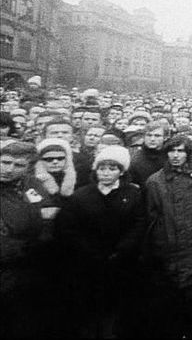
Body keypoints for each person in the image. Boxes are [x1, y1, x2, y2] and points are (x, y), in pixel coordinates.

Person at [56, 145, 145, 337]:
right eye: (102, 168)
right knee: (88, 307)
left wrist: (122, 249)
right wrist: (89, 250)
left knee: (116, 306)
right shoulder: (81, 195)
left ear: (121, 172)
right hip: (87, 262)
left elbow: (138, 224)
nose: (106, 173)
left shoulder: (132, 194)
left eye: (112, 169)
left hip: (121, 261)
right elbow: (69, 227)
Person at [145, 135, 192, 338]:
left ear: (188, 153)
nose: (176, 156)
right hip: (168, 247)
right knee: (171, 297)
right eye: (172, 151)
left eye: (181, 151)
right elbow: (151, 218)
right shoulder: (155, 182)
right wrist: (160, 243)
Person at [0, 141, 58, 337]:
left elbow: (49, 213)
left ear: (29, 167)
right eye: (5, 162)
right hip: (7, 267)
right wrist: (29, 247)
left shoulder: (31, 184)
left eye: (18, 165)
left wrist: (44, 240)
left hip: (33, 267)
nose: (8, 169)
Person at [127, 121, 168, 188]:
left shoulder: (171, 156)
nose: (152, 139)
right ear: (144, 137)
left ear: (165, 137)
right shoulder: (135, 159)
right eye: (149, 135)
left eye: (157, 136)